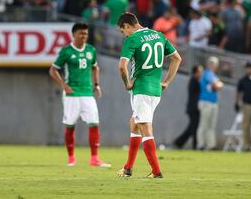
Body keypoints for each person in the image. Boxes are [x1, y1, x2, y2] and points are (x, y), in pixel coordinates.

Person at [116, 12, 182, 178]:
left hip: (141, 89)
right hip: (156, 90)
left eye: (122, 31)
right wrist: (166, 81)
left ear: (127, 26)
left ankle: (156, 171)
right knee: (134, 123)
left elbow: (122, 66)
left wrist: (127, 84)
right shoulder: (158, 35)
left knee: (145, 128)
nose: (123, 34)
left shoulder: (132, 39)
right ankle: (128, 168)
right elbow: (176, 58)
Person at [49, 23, 110, 167]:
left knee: (94, 123)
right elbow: (53, 70)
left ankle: (94, 158)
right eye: (81, 33)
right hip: (72, 94)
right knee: (70, 125)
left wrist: (96, 85)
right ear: (74, 34)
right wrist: (64, 85)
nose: (84, 36)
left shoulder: (91, 50)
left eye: (86, 34)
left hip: (87, 93)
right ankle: (71, 158)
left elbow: (95, 67)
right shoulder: (66, 51)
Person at [197, 56, 223, 150]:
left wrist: (219, 84)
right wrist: (219, 84)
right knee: (204, 124)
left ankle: (210, 145)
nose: (214, 66)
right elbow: (217, 85)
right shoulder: (207, 73)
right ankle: (201, 144)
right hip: (206, 102)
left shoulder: (212, 75)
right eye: (212, 64)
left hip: (213, 102)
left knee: (211, 125)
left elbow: (218, 85)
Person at [173, 65, 203, 149]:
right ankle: (194, 145)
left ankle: (179, 142)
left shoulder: (195, 80)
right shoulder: (194, 81)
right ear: (196, 72)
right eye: (200, 72)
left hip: (193, 108)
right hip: (193, 108)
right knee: (194, 127)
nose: (201, 74)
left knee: (191, 128)